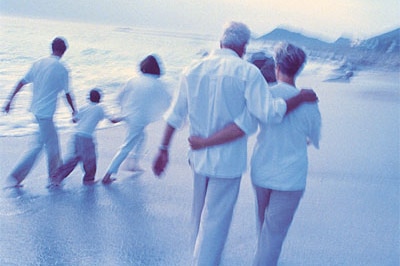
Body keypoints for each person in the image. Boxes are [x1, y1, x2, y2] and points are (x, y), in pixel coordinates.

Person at [152, 22, 318, 265]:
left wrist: (163, 149)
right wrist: (301, 96)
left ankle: (199, 259)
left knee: (198, 218)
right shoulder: (247, 73)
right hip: (227, 163)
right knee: (215, 224)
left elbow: (175, 115)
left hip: (197, 157)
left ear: (221, 42)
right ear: (243, 47)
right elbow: (270, 113)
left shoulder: (192, 70)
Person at [189, 42, 322, 265]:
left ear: (277, 64)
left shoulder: (264, 95)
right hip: (290, 178)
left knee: (264, 228)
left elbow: (242, 125)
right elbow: (313, 139)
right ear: (299, 68)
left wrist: (205, 142)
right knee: (274, 236)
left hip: (261, 173)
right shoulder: (309, 101)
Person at [3, 37, 76, 187]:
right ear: (64, 51)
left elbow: (21, 82)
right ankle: (27, 177)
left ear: (51, 47)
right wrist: (74, 111)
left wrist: (9, 101)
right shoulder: (62, 68)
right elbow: (67, 93)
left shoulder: (38, 63)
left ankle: (26, 176)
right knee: (48, 146)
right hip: (46, 114)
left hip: (36, 110)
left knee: (41, 143)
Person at [102, 54, 171, 184]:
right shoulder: (159, 84)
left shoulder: (133, 80)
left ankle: (133, 163)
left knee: (141, 137)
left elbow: (119, 97)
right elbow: (168, 101)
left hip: (129, 115)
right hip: (139, 118)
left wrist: (121, 113)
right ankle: (108, 174)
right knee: (127, 145)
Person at [50, 89, 110, 186]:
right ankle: (88, 179)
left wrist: (74, 114)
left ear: (89, 98)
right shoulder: (100, 108)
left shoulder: (84, 107)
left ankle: (57, 177)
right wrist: (123, 118)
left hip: (76, 135)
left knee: (74, 158)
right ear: (100, 98)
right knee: (90, 159)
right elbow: (110, 119)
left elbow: (74, 120)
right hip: (87, 137)